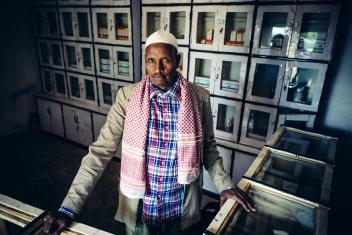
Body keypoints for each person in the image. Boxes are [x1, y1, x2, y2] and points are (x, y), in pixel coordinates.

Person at [43, 30, 256, 235]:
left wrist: (225, 185)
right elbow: (100, 153)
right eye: (151, 61)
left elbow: (208, 148)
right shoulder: (127, 97)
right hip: (140, 211)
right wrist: (69, 207)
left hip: (180, 210)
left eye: (165, 60)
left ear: (178, 60)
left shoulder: (198, 98)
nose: (157, 69)